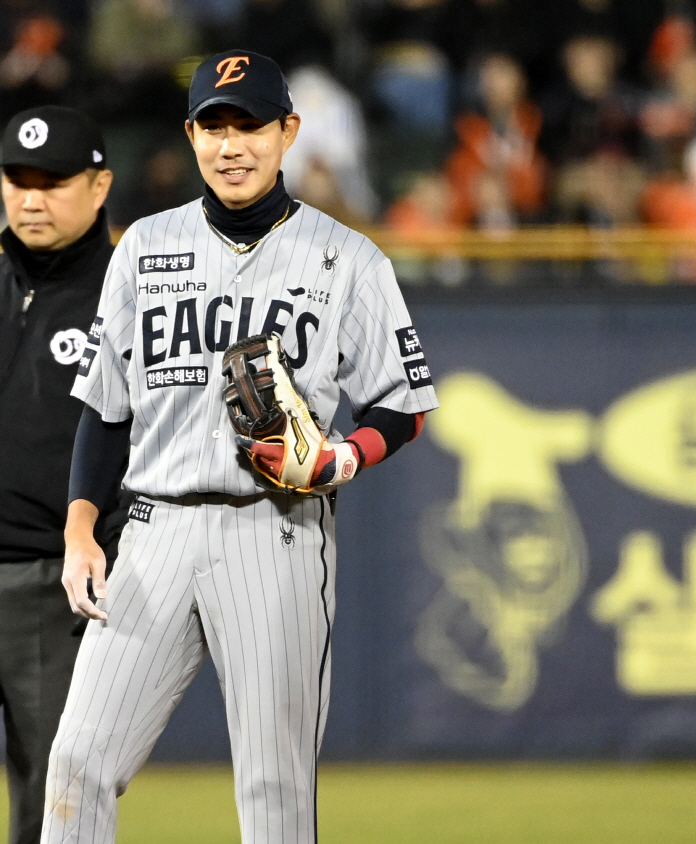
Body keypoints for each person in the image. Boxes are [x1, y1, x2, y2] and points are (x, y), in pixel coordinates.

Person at [42, 50, 438, 844]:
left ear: (288, 132)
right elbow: (104, 412)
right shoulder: (142, 249)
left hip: (276, 528)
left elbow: (404, 404)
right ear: (190, 135)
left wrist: (341, 458)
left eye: (250, 125)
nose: (233, 145)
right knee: (79, 763)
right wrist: (81, 528)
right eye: (214, 126)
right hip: (152, 531)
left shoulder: (349, 260)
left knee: (273, 789)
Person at [0, 105, 123, 844]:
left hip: (55, 590)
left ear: (100, 184)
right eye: (17, 179)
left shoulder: (130, 291)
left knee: (54, 806)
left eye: (53, 181)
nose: (31, 198)